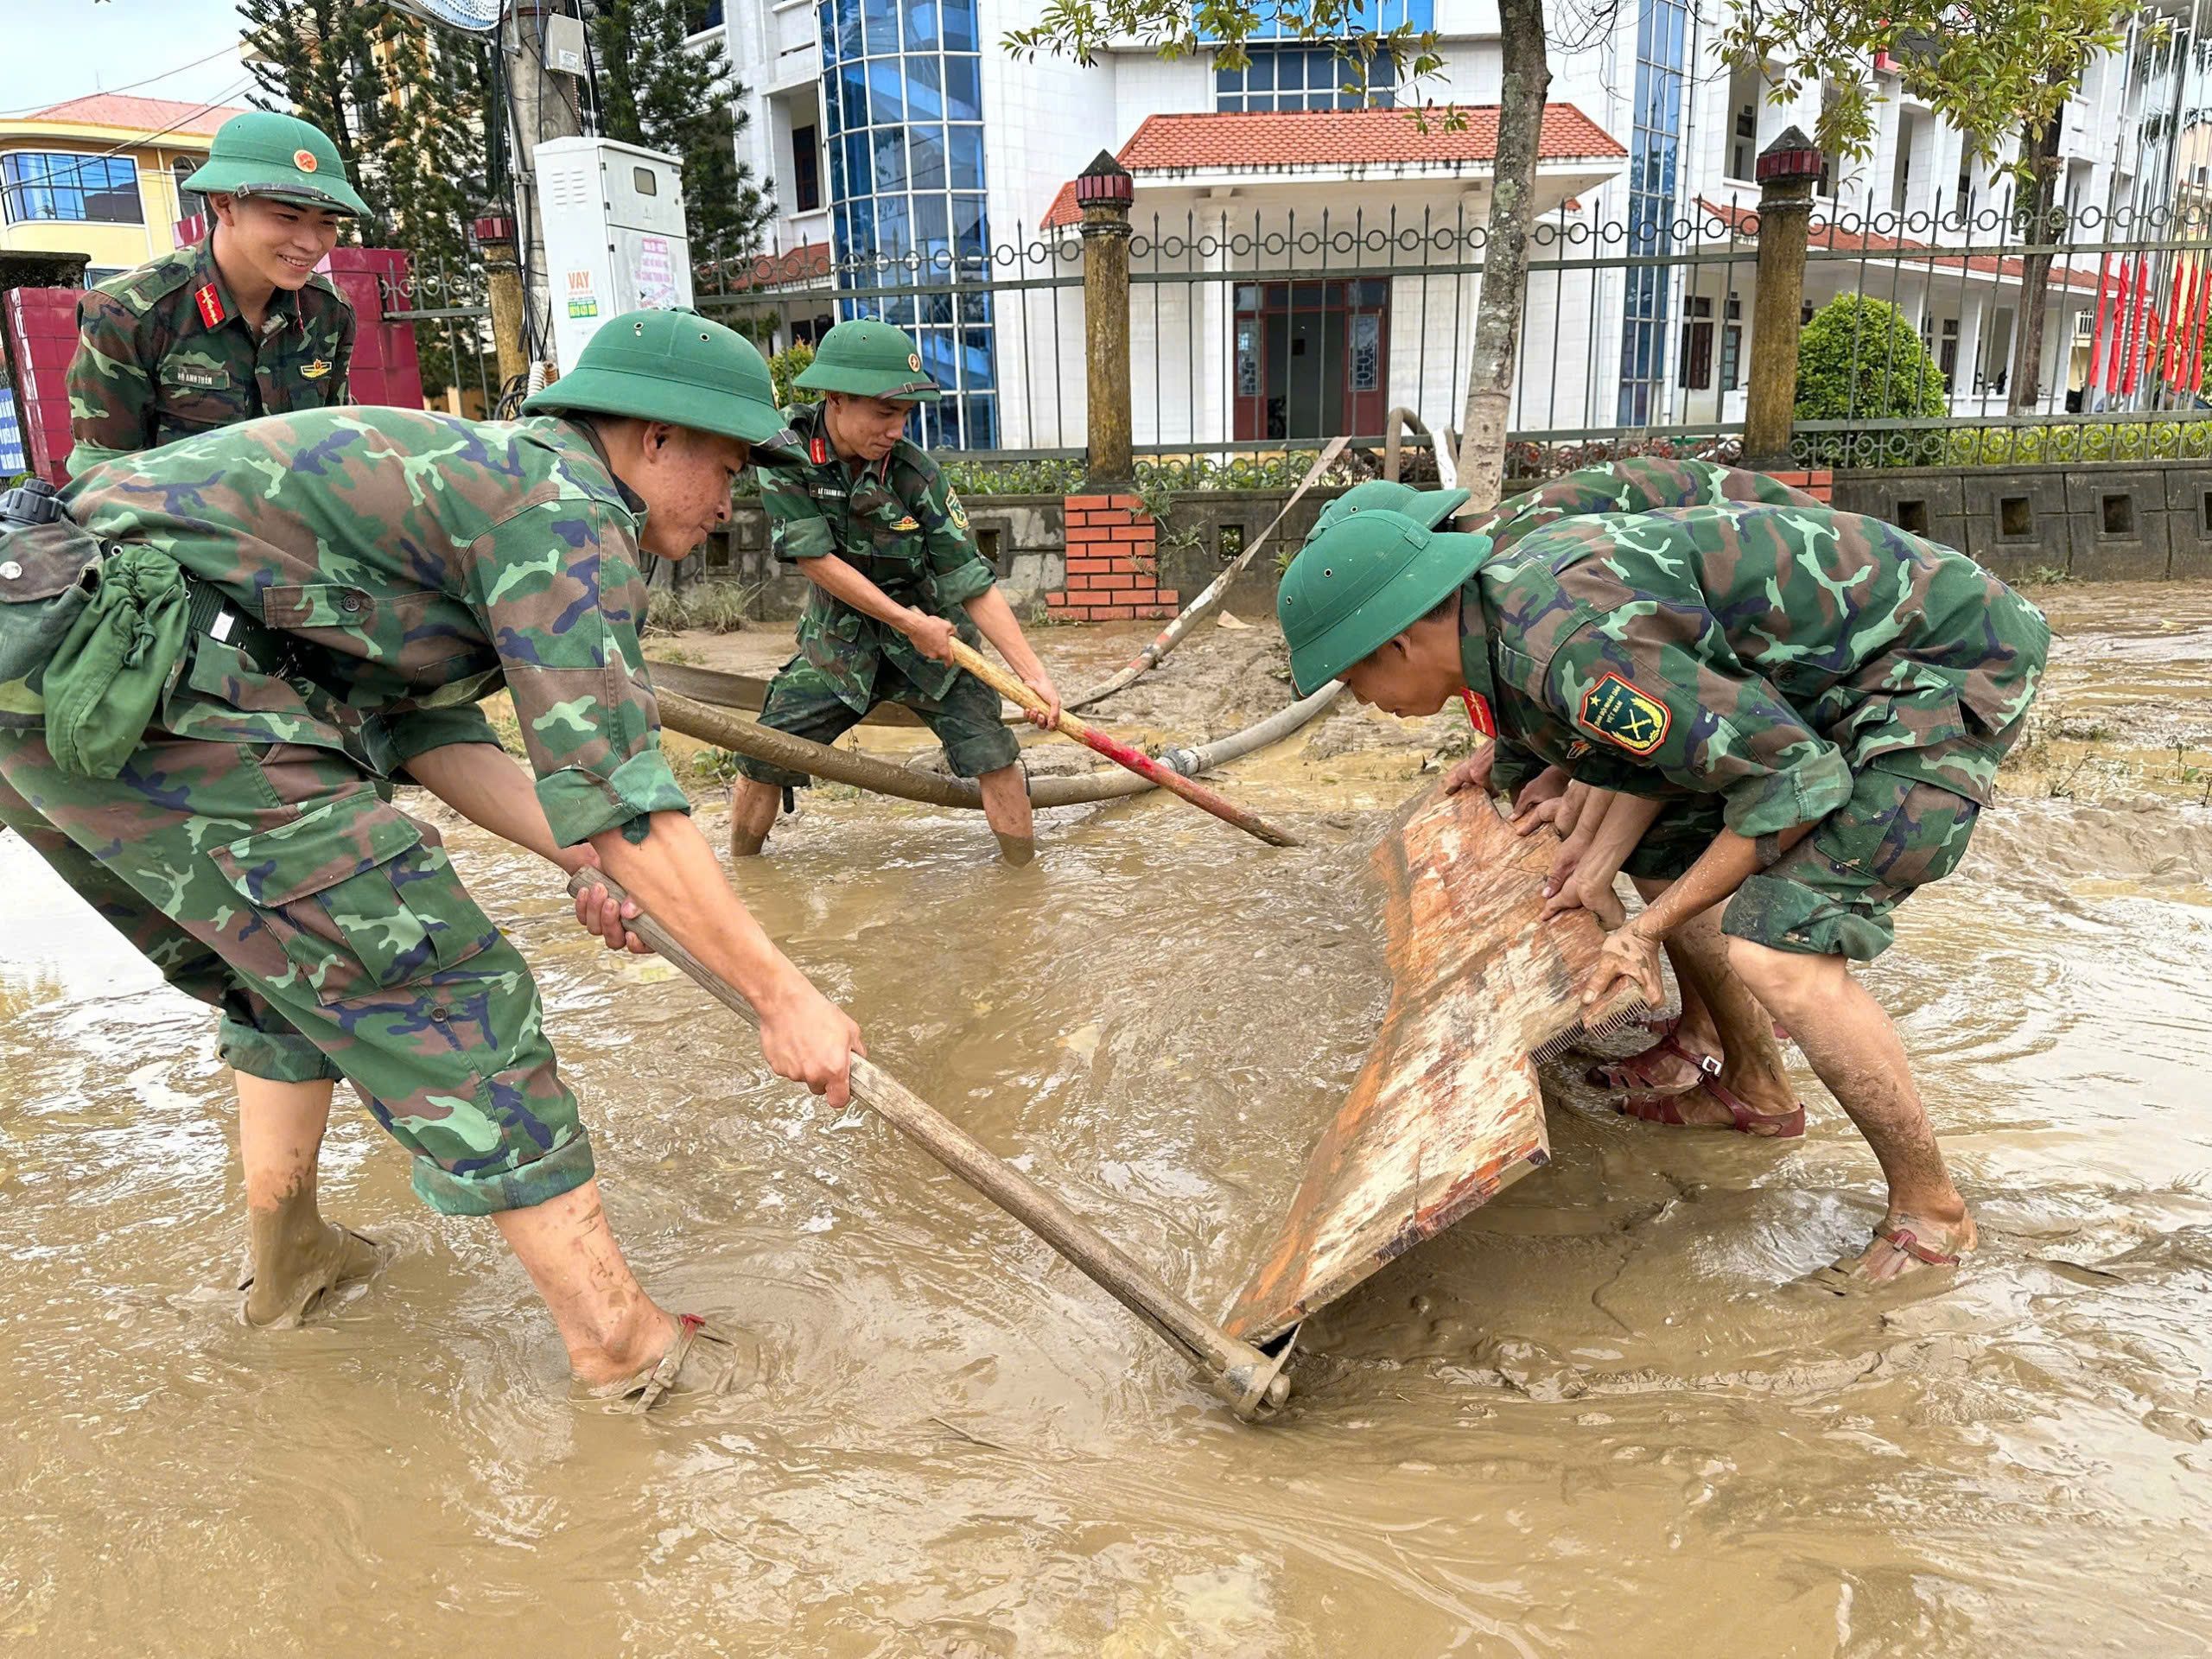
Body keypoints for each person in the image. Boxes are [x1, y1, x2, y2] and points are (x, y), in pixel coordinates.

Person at [0, 310, 860, 1408]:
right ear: (652, 440)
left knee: (290, 973)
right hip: (142, 672)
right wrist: (783, 996)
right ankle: (620, 1344)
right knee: (447, 989)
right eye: (729, 465)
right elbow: (625, 798)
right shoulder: (564, 511)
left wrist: (585, 861)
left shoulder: (480, 484)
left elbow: (426, 733)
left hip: (52, 673)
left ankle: (293, 1267)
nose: (733, 499)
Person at [1274, 461, 2048, 1291]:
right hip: (1841, 676)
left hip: (1938, 670)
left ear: (1399, 641)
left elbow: (1794, 781)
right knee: (1666, 849)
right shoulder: (1508, 619)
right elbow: (1650, 752)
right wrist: (1589, 851)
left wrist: (1644, 931)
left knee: (1778, 950)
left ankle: (1933, 1213)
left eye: (1356, 680)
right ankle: (1754, 1089)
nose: (1362, 703)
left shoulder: (1568, 645)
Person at [727, 319, 1061, 865]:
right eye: (885, 412)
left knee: (994, 758)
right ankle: (742, 881)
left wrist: (1032, 674)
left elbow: (970, 582)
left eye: (904, 414)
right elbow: (814, 559)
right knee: (765, 754)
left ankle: (1024, 885)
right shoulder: (787, 452)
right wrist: (906, 622)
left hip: (936, 648)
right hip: (840, 646)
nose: (896, 428)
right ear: (836, 397)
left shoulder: (916, 475)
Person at [65, 110, 364, 476]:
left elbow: (335, 445)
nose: (309, 242)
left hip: (296, 529)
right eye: (287, 217)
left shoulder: (328, 312)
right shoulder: (128, 315)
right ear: (224, 204)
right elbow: (103, 483)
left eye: (327, 222)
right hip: (178, 530)